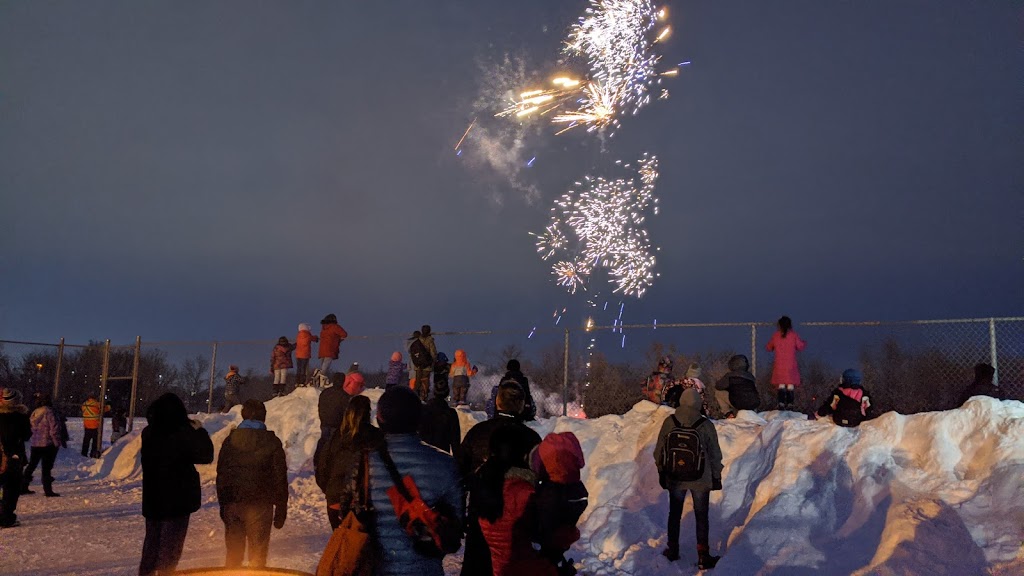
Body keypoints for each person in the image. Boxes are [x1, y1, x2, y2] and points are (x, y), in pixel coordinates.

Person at [368, 387, 463, 576]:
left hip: (376, 568)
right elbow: (456, 524)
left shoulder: (363, 463)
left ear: (379, 418)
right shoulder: (445, 464)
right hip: (425, 569)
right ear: (420, 420)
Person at [460, 380, 542, 576]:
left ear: (497, 402)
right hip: (518, 526)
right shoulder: (532, 438)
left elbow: (460, 472)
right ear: (521, 405)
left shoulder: (477, 432)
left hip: (481, 517)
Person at [139, 393, 214, 576]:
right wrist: (199, 431)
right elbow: (205, 455)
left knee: (152, 545)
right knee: (170, 548)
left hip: (153, 498)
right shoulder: (183, 433)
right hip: (177, 499)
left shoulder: (149, 432)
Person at [654, 388, 723, 569]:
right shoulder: (705, 424)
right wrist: (716, 476)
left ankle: (673, 550)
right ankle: (703, 555)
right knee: (701, 516)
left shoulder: (670, 422)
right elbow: (715, 455)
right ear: (698, 404)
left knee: (674, 513)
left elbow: (659, 450)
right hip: (701, 478)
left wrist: (661, 471)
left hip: (675, 477)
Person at [216, 399, 288, 568]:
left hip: (233, 502)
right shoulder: (272, 442)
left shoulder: (230, 441)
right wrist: (281, 507)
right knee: (258, 556)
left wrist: (223, 503)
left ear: (243, 415)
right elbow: (280, 477)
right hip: (260, 505)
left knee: (233, 555)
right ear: (264, 417)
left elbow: (222, 474)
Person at [476, 426, 556, 576]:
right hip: (526, 567)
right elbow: (544, 534)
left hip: (499, 567)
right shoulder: (524, 490)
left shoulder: (484, 485)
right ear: (523, 455)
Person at [314, 395, 384, 529]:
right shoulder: (376, 437)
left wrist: (330, 490)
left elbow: (322, 466)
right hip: (366, 502)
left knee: (343, 539)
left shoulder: (336, 437)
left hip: (336, 499)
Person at [530, 432, 588, 576]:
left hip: (547, 536)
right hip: (564, 533)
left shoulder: (549, 492)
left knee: (547, 552)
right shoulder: (578, 490)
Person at [0, 388, 32, 527]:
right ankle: (6, 517)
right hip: (13, 456)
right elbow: (26, 435)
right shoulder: (20, 417)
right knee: (12, 487)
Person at [22, 393, 64, 497]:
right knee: (46, 468)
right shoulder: (50, 412)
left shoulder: (35, 412)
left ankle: (23, 486)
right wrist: (57, 442)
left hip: (35, 443)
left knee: (32, 465)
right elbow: (54, 428)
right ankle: (48, 490)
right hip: (47, 443)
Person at [316, 370, 366, 456]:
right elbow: (346, 411)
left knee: (323, 440)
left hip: (324, 422)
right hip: (336, 424)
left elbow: (320, 406)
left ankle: (318, 457)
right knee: (334, 442)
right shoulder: (344, 396)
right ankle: (329, 458)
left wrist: (322, 418)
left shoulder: (325, 392)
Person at [766, 316, 807, 410]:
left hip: (779, 364)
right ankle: (790, 403)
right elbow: (800, 346)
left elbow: (769, 347)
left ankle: (781, 403)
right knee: (790, 384)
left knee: (781, 383)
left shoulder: (776, 335)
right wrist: (804, 342)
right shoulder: (793, 335)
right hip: (790, 365)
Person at [418, 378, 461, 460]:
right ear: (447, 393)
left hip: (422, 455)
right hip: (442, 456)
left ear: (434, 392)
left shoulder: (423, 410)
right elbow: (455, 442)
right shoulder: (451, 414)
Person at [408, 328, 437, 402]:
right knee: (425, 380)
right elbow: (433, 352)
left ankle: (415, 396)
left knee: (418, 382)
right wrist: (433, 361)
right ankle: (424, 397)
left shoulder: (418, 340)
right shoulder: (430, 340)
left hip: (418, 365)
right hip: (427, 365)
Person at [296, 323, 318, 387]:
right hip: (305, 354)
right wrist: (316, 338)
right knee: (304, 368)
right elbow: (313, 338)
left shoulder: (298, 335)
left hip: (298, 354)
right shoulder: (307, 334)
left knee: (299, 368)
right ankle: (302, 381)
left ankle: (297, 381)